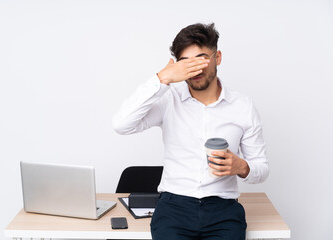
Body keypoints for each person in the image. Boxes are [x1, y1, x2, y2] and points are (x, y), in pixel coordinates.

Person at [112, 23, 269, 240]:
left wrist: (243, 167)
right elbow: (121, 124)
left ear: (218, 57)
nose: (195, 69)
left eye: (202, 59)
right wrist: (160, 79)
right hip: (174, 208)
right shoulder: (168, 99)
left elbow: (261, 169)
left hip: (223, 209)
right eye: (186, 63)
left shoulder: (243, 106)